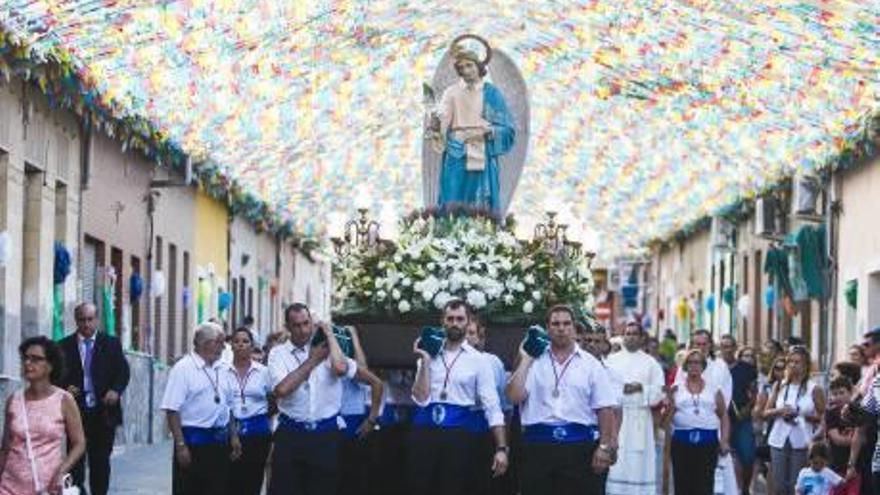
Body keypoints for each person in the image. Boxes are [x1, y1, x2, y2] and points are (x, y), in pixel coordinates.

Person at [506, 304, 617, 495]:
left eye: (566, 323)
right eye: (555, 324)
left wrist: (605, 446)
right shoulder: (535, 360)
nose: (561, 328)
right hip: (538, 447)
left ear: (574, 328)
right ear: (547, 328)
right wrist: (526, 358)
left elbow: (605, 408)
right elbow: (514, 397)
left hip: (579, 449)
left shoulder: (591, 365)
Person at [267, 303, 375, 495]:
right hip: (291, 433)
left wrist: (329, 334)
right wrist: (313, 361)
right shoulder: (278, 353)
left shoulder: (328, 351)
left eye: (306, 323)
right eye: (297, 325)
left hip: (324, 435)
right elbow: (282, 390)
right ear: (288, 327)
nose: (303, 330)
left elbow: (341, 369)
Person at [409, 299, 508, 495]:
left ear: (467, 321)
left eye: (460, 319)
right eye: (450, 319)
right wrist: (425, 360)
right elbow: (420, 398)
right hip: (425, 432)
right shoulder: (428, 353)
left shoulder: (479, 361)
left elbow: (493, 407)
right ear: (442, 322)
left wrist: (502, 448)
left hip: (460, 436)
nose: (455, 323)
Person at [434, 38, 515, 214]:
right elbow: (443, 120)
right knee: (453, 192)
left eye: (469, 65)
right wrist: (437, 129)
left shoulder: (491, 93)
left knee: (477, 196)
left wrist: (490, 130)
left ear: (479, 66)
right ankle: (451, 234)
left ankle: (478, 234)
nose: (466, 71)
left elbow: (507, 127)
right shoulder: (451, 92)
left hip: (478, 144)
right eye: (461, 67)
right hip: (455, 147)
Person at [58, 302, 130, 495]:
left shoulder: (111, 344)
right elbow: (55, 375)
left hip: (103, 414)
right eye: (82, 320)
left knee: (100, 462)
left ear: (97, 319)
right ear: (76, 321)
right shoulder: (64, 346)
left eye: (90, 319)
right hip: (76, 414)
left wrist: (116, 390)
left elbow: (123, 372)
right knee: (75, 463)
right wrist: (65, 388)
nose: (86, 324)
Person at [161, 322, 242, 495]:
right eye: (220, 342)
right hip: (193, 445)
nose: (224, 347)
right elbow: (172, 409)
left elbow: (229, 407)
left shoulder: (224, 368)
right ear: (205, 343)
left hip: (220, 445)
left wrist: (234, 436)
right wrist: (181, 445)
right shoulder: (183, 368)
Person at [0, 336, 86, 495]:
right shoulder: (13, 400)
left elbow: (79, 443)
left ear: (50, 366)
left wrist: (62, 470)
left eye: (36, 359)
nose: (27, 363)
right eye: (25, 358)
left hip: (47, 487)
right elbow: (5, 447)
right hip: (9, 486)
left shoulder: (64, 400)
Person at [605, 320, 665, 495]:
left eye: (634, 334)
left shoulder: (651, 363)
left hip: (640, 419)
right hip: (617, 418)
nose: (630, 337)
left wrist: (641, 387)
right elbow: (603, 387)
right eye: (627, 333)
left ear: (641, 338)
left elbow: (659, 391)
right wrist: (621, 389)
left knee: (639, 461)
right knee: (618, 459)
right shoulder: (611, 361)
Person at [664, 349, 730, 495]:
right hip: (682, 444)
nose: (694, 366)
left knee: (705, 485)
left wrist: (724, 440)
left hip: (708, 443)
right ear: (685, 366)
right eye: (691, 362)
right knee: (682, 485)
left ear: (703, 366)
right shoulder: (677, 389)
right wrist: (668, 403)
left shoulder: (714, 389)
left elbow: (724, 415)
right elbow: (665, 421)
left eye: (698, 362)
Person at [763, 345, 825, 495]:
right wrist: (780, 411)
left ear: (806, 365)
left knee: (795, 485)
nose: (793, 365)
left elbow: (824, 417)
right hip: (778, 439)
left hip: (802, 440)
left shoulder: (814, 388)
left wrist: (803, 416)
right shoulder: (780, 386)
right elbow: (765, 413)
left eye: (797, 362)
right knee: (779, 486)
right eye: (790, 361)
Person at [464, 317, 511, 495]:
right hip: (457, 432)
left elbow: (505, 408)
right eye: (465, 333)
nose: (467, 338)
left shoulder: (493, 362)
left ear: (480, 337)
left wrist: (504, 447)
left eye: (471, 333)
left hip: (486, 432)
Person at [225, 327, 273, 495]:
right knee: (230, 482)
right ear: (231, 345)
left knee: (253, 481)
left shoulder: (263, 372)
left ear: (252, 346)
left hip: (258, 434)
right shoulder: (223, 371)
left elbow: (273, 399)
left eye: (245, 341)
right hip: (230, 434)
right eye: (236, 341)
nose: (240, 345)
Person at [337, 326, 384, 495]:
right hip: (330, 423)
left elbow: (366, 373)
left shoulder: (352, 364)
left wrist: (354, 337)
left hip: (353, 421)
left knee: (354, 477)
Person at [720, 335, 758, 494]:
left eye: (730, 346)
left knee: (748, 456)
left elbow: (754, 391)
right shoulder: (714, 367)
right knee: (723, 458)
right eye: (723, 346)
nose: (727, 350)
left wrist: (748, 408)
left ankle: (745, 489)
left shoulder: (747, 368)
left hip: (741, 418)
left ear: (735, 348)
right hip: (720, 419)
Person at [755, 355, 788, 494]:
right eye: (777, 368)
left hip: (793, 431)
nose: (780, 371)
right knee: (772, 465)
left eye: (783, 368)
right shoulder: (768, 387)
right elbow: (762, 412)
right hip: (773, 428)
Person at [824, 376, 856, 476]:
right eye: (835, 394)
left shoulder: (858, 411)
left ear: (851, 393)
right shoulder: (831, 412)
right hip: (836, 463)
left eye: (842, 393)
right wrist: (857, 440)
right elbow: (837, 439)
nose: (838, 397)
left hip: (857, 464)